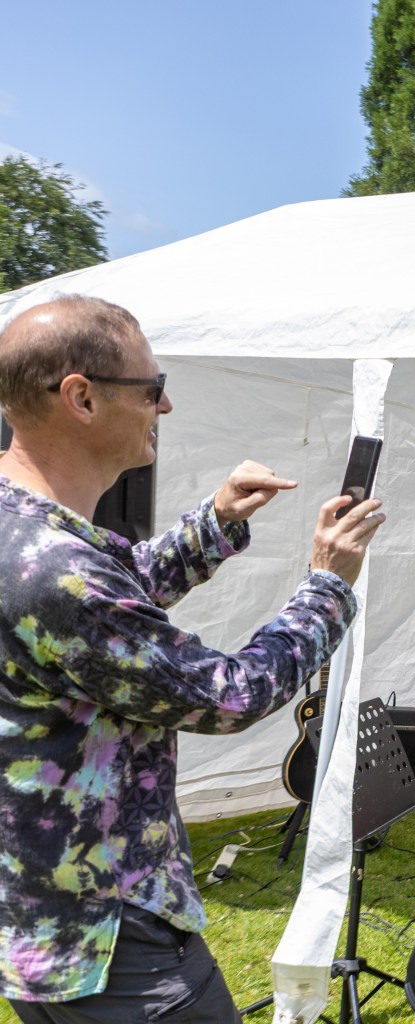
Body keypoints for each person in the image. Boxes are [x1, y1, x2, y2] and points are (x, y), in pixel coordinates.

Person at [0, 295, 385, 1023]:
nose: (166, 405)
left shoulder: (23, 532)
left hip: (42, 924)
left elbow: (105, 612)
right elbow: (230, 696)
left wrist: (214, 523)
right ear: (82, 397)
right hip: (114, 940)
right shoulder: (56, 571)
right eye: (152, 388)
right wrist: (329, 584)